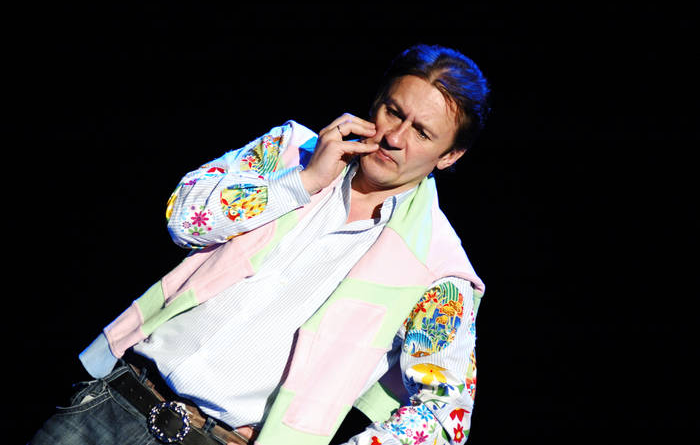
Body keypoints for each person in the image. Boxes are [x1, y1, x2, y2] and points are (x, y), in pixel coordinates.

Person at [30, 43, 490, 445]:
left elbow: (445, 415)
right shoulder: (291, 150)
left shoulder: (439, 269)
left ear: (450, 156)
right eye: (393, 111)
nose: (394, 137)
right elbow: (183, 218)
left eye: (422, 132)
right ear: (376, 101)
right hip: (115, 400)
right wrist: (302, 182)